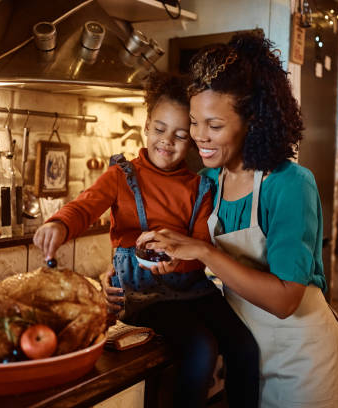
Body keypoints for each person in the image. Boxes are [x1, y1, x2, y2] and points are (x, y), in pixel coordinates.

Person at [136, 31, 338, 407]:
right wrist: (141, 270)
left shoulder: (290, 185)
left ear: (253, 120)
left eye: (214, 126)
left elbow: (285, 300)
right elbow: (190, 265)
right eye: (195, 123)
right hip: (245, 351)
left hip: (301, 358)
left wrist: (203, 251)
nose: (200, 137)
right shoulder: (206, 183)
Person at [33, 72, 259, 408]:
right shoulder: (120, 176)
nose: (167, 141)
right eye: (160, 130)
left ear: (193, 140)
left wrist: (179, 260)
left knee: (244, 346)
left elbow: (201, 249)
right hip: (144, 297)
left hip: (195, 290)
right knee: (201, 348)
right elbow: (84, 206)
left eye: (181, 135)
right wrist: (59, 225)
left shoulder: (200, 187)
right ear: (146, 126)